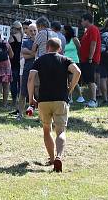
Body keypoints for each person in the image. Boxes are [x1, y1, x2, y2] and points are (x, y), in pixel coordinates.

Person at [28, 37, 81, 172]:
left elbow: (30, 79)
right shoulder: (64, 60)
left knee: (46, 129)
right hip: (61, 99)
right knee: (61, 131)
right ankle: (59, 156)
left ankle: (51, 158)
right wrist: (71, 88)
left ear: (47, 48)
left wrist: (31, 98)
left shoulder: (39, 60)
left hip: (43, 100)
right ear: (60, 48)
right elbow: (77, 72)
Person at [79, 12, 102, 108]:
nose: (81, 22)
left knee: (91, 80)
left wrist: (90, 57)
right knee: (89, 80)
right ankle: (92, 99)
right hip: (86, 59)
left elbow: (93, 43)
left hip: (90, 60)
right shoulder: (88, 30)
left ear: (87, 20)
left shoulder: (93, 29)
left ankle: (94, 100)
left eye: (82, 20)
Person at [19, 21, 38, 118]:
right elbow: (24, 55)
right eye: (31, 30)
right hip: (28, 69)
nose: (33, 32)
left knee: (38, 91)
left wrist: (30, 53)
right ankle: (20, 113)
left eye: (35, 30)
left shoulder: (40, 41)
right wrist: (33, 53)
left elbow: (31, 54)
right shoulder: (25, 41)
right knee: (23, 92)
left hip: (38, 69)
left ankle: (40, 114)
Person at [63, 25, 83, 103]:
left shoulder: (74, 39)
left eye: (63, 30)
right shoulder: (64, 40)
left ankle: (80, 96)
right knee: (67, 80)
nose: (62, 31)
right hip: (65, 61)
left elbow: (79, 49)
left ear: (67, 31)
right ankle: (69, 98)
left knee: (72, 79)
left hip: (74, 61)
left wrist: (79, 58)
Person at [8, 21, 23, 114]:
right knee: (20, 82)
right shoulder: (23, 37)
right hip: (21, 61)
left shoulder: (12, 38)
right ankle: (20, 99)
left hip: (13, 61)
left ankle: (14, 100)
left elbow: (9, 50)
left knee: (13, 82)